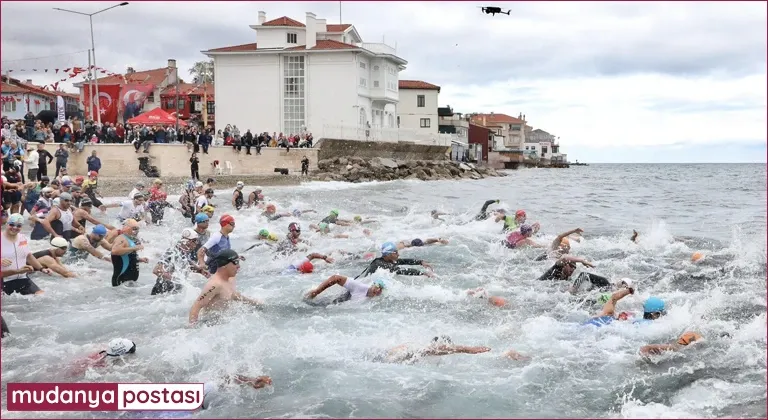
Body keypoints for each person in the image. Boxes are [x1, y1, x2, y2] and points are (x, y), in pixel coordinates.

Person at [189, 249, 263, 326]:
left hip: (225, 321)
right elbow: (196, 307)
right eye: (235, 262)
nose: (238, 266)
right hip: (210, 324)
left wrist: (254, 303)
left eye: (238, 261)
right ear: (224, 265)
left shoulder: (231, 278)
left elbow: (233, 294)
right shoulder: (214, 285)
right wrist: (193, 329)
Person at [1, 213, 52, 295]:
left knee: (41, 295)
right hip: (4, 280)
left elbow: (28, 255)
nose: (15, 227)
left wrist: (42, 269)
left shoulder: (22, 238)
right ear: (7, 224)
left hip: (22, 278)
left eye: (18, 226)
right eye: (12, 224)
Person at [151, 228, 204, 295]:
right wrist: (177, 280)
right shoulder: (172, 252)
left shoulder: (184, 252)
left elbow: (187, 264)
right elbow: (157, 270)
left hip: (174, 291)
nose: (196, 243)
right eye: (194, 241)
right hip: (163, 290)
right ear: (187, 241)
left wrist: (200, 271)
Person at [379, 336, 491, 364]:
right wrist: (467, 349)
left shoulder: (418, 350)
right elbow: (433, 350)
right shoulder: (417, 349)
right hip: (383, 359)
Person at [356, 242, 434, 278]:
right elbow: (400, 270)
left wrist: (420, 262)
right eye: (396, 252)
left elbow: (403, 261)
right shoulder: (379, 263)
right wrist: (422, 273)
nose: (398, 254)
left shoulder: (388, 260)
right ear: (388, 254)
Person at [110, 219, 149, 287]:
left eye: (137, 229)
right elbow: (114, 251)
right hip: (121, 280)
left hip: (129, 280)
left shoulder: (129, 239)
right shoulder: (121, 238)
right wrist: (134, 248)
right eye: (134, 228)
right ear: (126, 228)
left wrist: (139, 259)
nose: (136, 231)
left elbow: (126, 255)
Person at [304, 275, 386, 305]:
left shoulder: (376, 300)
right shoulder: (360, 287)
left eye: (381, 289)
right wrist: (317, 291)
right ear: (372, 285)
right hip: (328, 304)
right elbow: (336, 278)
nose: (378, 290)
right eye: (378, 286)